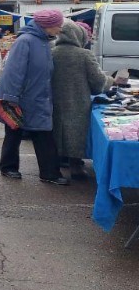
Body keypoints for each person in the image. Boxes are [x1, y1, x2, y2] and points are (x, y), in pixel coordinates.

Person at [0, 9, 67, 185]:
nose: (60, 29)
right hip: (20, 97)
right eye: (58, 25)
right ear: (47, 26)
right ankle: (9, 167)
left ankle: (49, 173)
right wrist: (10, 98)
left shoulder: (44, 42)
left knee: (42, 133)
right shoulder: (25, 41)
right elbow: (13, 72)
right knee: (14, 132)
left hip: (37, 97)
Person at [51, 21, 112, 181]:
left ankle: (58, 162)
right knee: (76, 133)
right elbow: (98, 83)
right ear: (79, 35)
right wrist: (111, 81)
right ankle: (75, 166)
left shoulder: (52, 52)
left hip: (53, 102)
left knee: (58, 131)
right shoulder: (84, 54)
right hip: (78, 102)